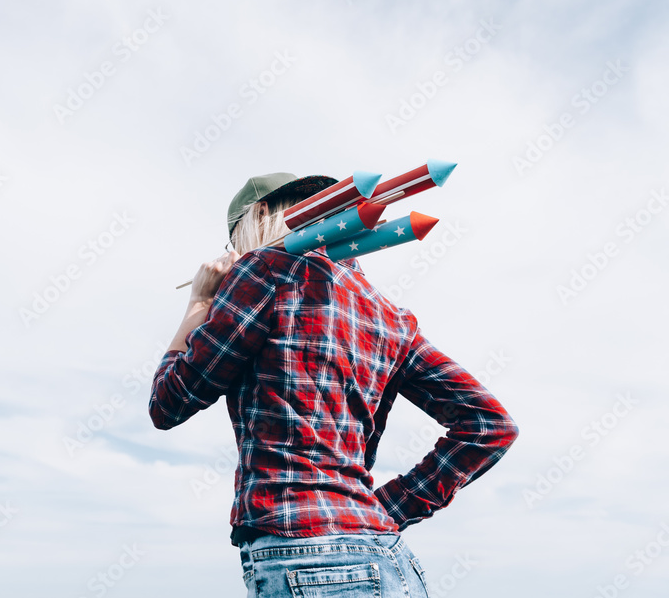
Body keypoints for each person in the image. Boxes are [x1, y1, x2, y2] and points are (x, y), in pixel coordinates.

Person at [148, 172, 519, 597]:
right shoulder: (389, 314)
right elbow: (491, 426)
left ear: (262, 213)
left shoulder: (263, 270)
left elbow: (168, 404)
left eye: (236, 239)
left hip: (302, 556)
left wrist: (198, 303)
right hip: (389, 557)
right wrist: (385, 511)